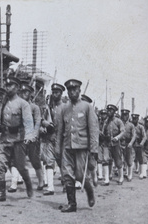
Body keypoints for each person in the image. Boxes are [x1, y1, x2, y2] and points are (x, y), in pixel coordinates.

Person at [56, 79, 99, 212]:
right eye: (69, 90)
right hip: (67, 146)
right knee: (67, 174)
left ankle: (89, 190)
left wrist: (94, 149)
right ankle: (72, 204)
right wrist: (58, 147)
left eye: (75, 89)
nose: (72, 92)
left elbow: (93, 129)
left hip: (82, 146)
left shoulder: (87, 107)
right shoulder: (64, 108)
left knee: (80, 175)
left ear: (79, 91)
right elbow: (60, 130)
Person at [0, 77, 34, 202]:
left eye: (11, 85)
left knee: (20, 166)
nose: (7, 87)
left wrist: (28, 137)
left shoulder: (23, 104)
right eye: (7, 85)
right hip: (4, 138)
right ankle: (1, 193)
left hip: (18, 139)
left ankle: (28, 183)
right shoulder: (2, 103)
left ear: (17, 88)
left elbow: (28, 123)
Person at [8, 83, 44, 193]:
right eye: (22, 92)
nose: (24, 94)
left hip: (32, 138)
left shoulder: (34, 107)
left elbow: (38, 121)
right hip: (19, 137)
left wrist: (34, 135)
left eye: (27, 92)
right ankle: (14, 184)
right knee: (15, 161)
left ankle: (41, 181)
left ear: (30, 94)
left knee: (35, 161)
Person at [40, 83, 66, 195]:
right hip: (50, 137)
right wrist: (45, 124)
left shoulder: (65, 107)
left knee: (62, 162)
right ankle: (50, 187)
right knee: (49, 161)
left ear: (61, 94)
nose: (54, 94)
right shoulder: (48, 108)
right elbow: (41, 120)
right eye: (53, 92)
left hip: (61, 138)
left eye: (57, 92)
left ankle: (66, 183)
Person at [101, 104, 125, 185]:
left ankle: (121, 178)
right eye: (108, 110)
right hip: (107, 144)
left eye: (110, 111)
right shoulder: (105, 122)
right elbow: (103, 132)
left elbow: (122, 131)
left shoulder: (118, 121)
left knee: (118, 161)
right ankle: (106, 179)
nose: (109, 112)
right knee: (105, 160)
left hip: (116, 144)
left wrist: (117, 138)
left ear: (114, 112)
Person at [120, 109, 136, 182]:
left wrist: (131, 143)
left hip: (128, 143)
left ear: (128, 116)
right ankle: (121, 176)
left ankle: (130, 175)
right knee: (120, 159)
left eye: (126, 115)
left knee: (129, 160)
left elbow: (134, 136)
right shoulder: (119, 123)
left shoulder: (131, 125)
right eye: (123, 115)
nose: (124, 116)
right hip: (120, 143)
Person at [131, 114, 147, 179]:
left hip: (139, 145)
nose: (134, 120)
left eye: (135, 119)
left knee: (140, 159)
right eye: (133, 119)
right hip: (132, 144)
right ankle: (129, 173)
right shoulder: (131, 126)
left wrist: (141, 143)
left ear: (138, 119)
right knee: (131, 159)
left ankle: (141, 173)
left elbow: (144, 137)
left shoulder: (141, 127)